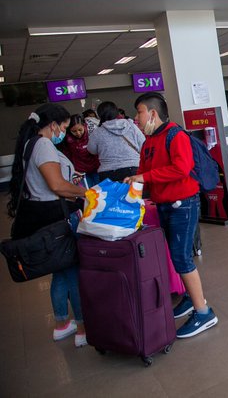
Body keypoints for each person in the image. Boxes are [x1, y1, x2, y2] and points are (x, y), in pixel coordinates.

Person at [125, 92, 218, 338]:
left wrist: (145, 177)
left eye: (139, 112)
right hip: (164, 205)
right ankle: (190, 297)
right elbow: (144, 172)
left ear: (153, 113)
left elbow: (181, 168)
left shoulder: (175, 135)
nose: (137, 118)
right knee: (180, 256)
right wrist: (132, 185)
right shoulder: (149, 142)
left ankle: (204, 312)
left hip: (183, 205)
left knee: (181, 259)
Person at [7, 104, 88, 347]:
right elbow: (57, 185)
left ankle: (62, 324)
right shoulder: (43, 145)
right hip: (56, 219)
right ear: (53, 125)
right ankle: (83, 329)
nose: (63, 132)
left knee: (60, 271)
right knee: (73, 271)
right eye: (63, 127)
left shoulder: (29, 144)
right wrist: (87, 193)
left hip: (43, 218)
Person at [87, 101, 145, 182]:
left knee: (112, 195)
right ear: (116, 112)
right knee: (136, 195)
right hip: (133, 169)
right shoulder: (131, 126)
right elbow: (143, 144)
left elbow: (91, 150)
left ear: (99, 115)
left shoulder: (98, 132)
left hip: (108, 174)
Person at [60, 114, 100, 187]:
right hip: (81, 173)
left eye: (80, 130)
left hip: (96, 169)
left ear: (84, 126)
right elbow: (67, 157)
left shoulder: (92, 135)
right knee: (86, 193)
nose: (78, 133)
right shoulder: (67, 141)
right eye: (74, 131)